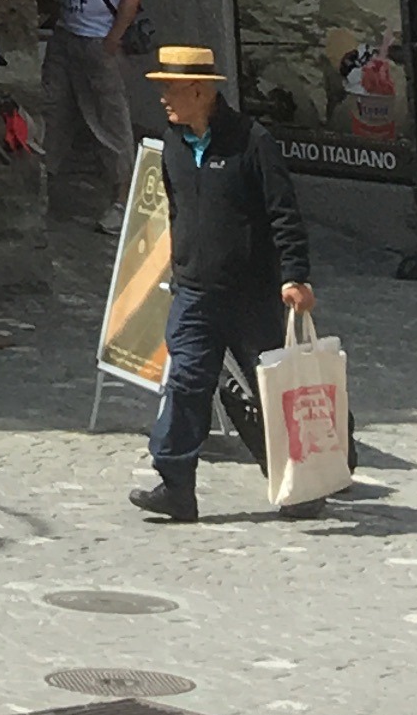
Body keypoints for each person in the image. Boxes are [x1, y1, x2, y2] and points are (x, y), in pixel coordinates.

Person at [130, 44, 314, 525]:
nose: (164, 99)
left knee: (271, 390)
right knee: (186, 383)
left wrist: (295, 274)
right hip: (193, 291)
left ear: (200, 90)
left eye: (170, 89)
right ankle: (175, 486)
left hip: (251, 293)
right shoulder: (170, 143)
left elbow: (284, 213)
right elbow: (176, 210)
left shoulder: (253, 142)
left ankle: (305, 483)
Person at [38, 0, 141, 235]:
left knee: (109, 121)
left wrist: (114, 37)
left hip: (98, 38)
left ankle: (122, 201)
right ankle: (42, 187)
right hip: (67, 33)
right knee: (52, 111)